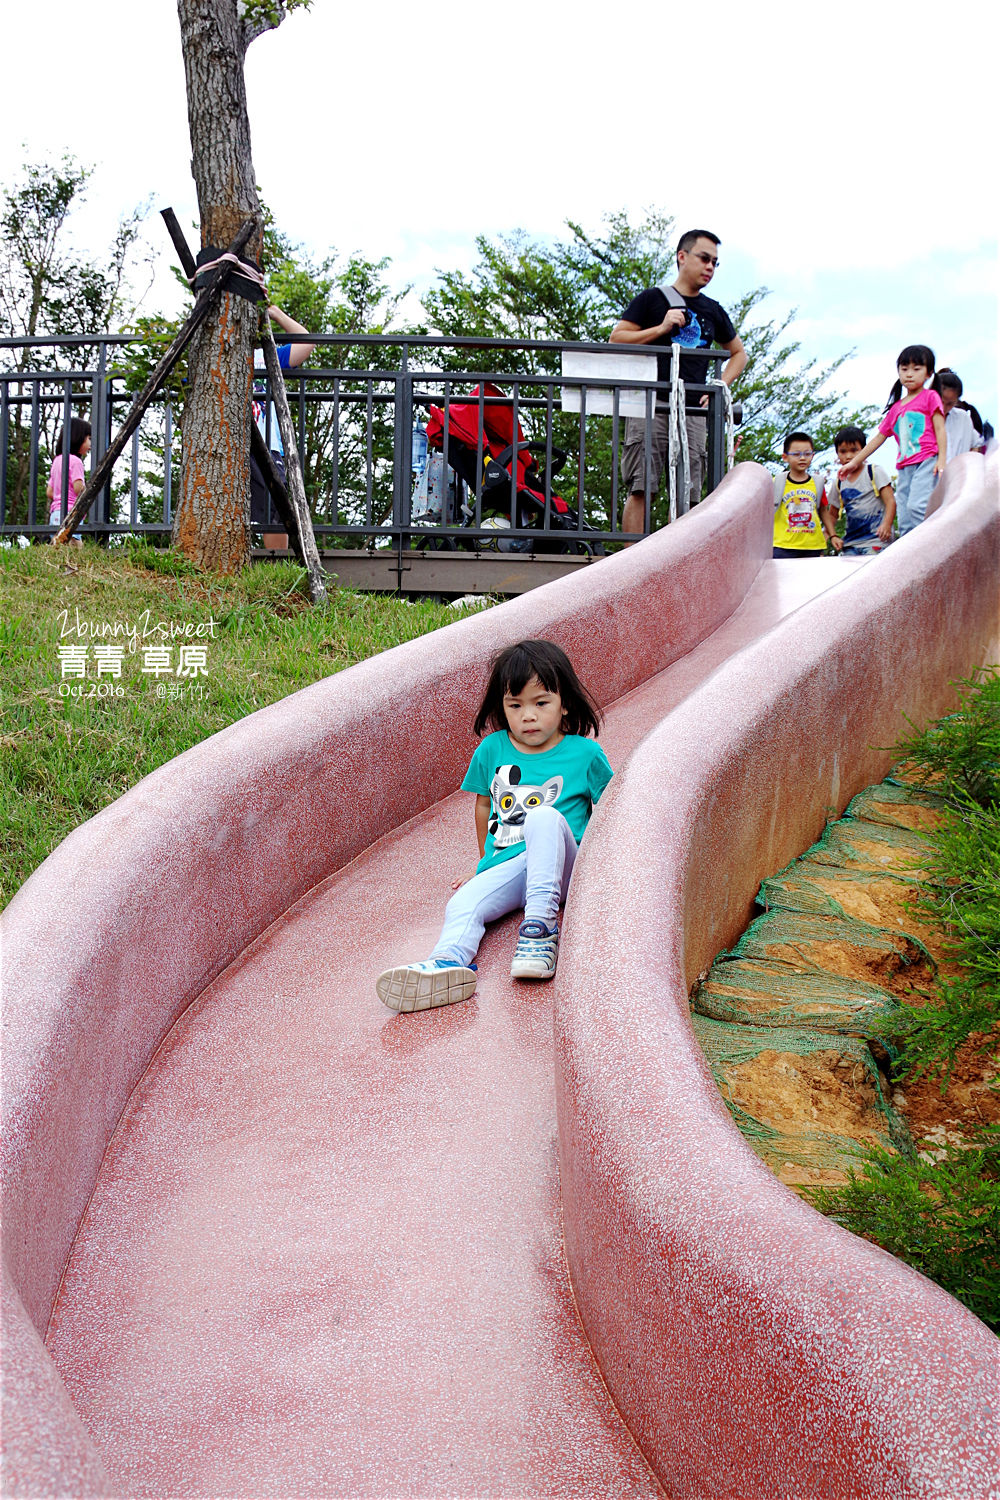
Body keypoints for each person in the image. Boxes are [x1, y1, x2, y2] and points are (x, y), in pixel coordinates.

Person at [375, 640, 613, 1013]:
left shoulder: (585, 754)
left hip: (564, 867)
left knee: (544, 817)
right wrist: (483, 860)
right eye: (515, 706)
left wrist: (604, 870)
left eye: (541, 703)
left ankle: (540, 929)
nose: (528, 716)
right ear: (502, 709)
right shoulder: (492, 750)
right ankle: (449, 963)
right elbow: (485, 803)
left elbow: (615, 806)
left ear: (564, 703)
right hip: (510, 863)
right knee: (463, 902)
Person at [610, 229, 747, 534]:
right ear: (682, 257)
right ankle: (631, 564)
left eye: (715, 262)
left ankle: (683, 567)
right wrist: (661, 327)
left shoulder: (713, 309)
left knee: (691, 491)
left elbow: (738, 354)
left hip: (693, 409)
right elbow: (617, 338)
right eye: (704, 258)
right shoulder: (652, 299)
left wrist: (719, 385)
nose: (710, 267)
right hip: (651, 402)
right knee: (642, 485)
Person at [839, 345, 946, 535]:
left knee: (916, 507)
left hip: (926, 460)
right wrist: (854, 462)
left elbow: (940, 429)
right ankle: (908, 554)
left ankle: (932, 541)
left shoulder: (930, 397)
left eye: (916, 369)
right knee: (904, 516)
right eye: (904, 369)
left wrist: (942, 460)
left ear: (929, 373)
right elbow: (879, 438)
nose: (909, 374)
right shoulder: (896, 408)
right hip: (904, 466)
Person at [250, 305, 315, 548]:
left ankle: (275, 563)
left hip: (267, 444)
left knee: (275, 506)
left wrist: (274, 314)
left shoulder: (265, 355)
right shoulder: (212, 355)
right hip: (229, 441)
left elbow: (306, 343)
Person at [824, 426, 896, 555]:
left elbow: (890, 501)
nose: (848, 456)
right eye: (843, 451)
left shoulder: (873, 472)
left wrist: (886, 524)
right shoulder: (839, 481)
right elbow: (832, 514)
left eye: (854, 450)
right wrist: (831, 535)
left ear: (864, 450)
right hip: (851, 543)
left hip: (876, 540)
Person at [772, 432, 835, 558]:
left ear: (812, 455)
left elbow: (823, 511)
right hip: (783, 545)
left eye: (807, 454)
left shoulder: (817, 482)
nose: (802, 458)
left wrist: (833, 535)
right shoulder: (776, 482)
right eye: (796, 454)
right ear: (785, 457)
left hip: (812, 545)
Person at [47, 417, 91, 548]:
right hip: (71, 512)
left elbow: (50, 492)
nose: (90, 444)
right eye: (89, 438)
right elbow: (78, 488)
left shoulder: (57, 460)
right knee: (76, 544)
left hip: (55, 513)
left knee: (59, 544)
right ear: (78, 438)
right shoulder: (76, 461)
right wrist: (88, 492)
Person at [937, 369, 985, 458]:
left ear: (956, 401)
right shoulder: (919, 418)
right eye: (941, 401)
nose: (943, 408)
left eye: (950, 404)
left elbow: (977, 443)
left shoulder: (963, 418)